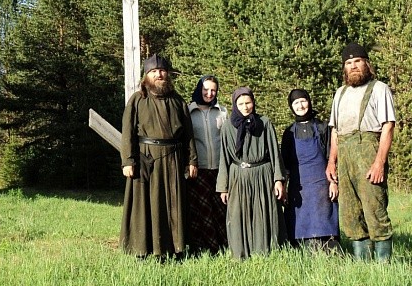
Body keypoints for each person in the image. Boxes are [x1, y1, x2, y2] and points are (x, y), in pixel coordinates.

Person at [119, 54, 198, 258]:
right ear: (146, 75)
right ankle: (142, 249)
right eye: (154, 71)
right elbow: (128, 132)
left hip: (173, 158)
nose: (159, 74)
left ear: (167, 74)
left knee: (173, 203)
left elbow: (188, 134)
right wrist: (128, 160)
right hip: (146, 158)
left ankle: (175, 248)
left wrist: (192, 160)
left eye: (162, 71)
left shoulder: (177, 100)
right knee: (145, 204)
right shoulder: (138, 99)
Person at [326, 42, 396, 262]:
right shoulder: (340, 93)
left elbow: (388, 127)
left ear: (367, 64)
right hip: (344, 155)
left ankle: (384, 268)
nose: (353, 66)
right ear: (344, 68)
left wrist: (379, 163)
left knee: (375, 209)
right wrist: (331, 162)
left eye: (357, 61)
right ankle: (362, 266)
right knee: (350, 213)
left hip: (368, 151)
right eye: (349, 63)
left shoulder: (379, 89)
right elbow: (335, 131)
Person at [216, 86, 287, 259]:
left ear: (253, 102)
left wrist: (278, 179)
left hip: (262, 174)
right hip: (238, 175)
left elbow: (274, 153)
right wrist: (223, 186)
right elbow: (224, 158)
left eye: (248, 103)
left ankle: (266, 252)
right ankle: (241, 253)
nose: (245, 107)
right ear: (235, 105)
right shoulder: (227, 127)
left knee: (263, 213)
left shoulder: (264, 123)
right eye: (240, 104)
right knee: (238, 215)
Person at [281, 89, 340, 253]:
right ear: (291, 107)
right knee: (300, 223)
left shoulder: (322, 128)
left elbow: (332, 159)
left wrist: (333, 183)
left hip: (322, 185)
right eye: (296, 103)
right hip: (298, 188)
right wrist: (284, 187)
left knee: (325, 220)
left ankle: (330, 253)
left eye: (303, 101)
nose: (300, 106)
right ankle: (303, 253)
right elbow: (285, 164)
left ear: (309, 102)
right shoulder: (289, 133)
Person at [187, 75, 229, 254]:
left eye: (213, 90)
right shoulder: (188, 111)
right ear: (199, 89)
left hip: (219, 169)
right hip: (199, 169)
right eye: (206, 89)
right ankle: (203, 248)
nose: (209, 93)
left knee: (220, 209)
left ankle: (223, 246)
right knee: (202, 210)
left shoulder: (222, 112)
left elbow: (227, 140)